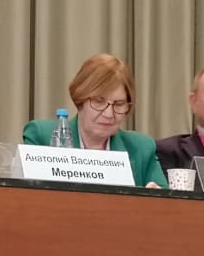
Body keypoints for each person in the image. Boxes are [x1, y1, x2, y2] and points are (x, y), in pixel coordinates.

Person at [23, 54, 167, 188]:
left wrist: (157, 199)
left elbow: (167, 202)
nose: (109, 114)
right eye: (99, 101)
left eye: (119, 104)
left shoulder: (142, 148)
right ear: (80, 98)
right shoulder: (41, 136)